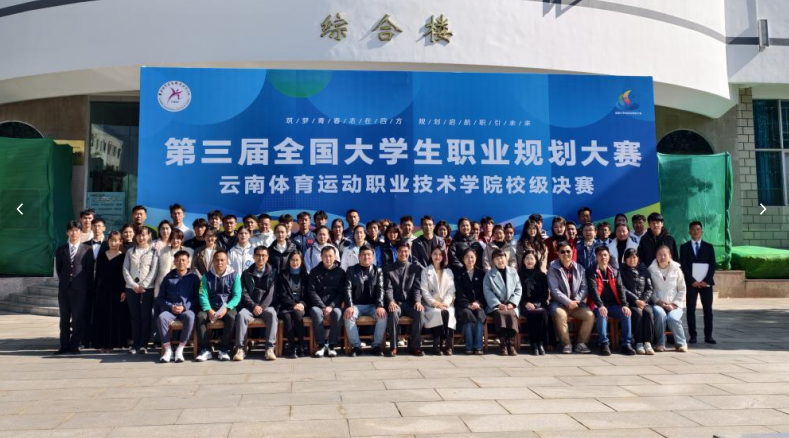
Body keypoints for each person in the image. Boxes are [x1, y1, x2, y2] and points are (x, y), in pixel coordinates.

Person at [54, 221, 95, 355]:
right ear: (67, 232)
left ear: (80, 232)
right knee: (64, 318)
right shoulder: (61, 250)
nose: (74, 233)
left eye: (76, 230)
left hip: (80, 289)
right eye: (71, 230)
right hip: (65, 289)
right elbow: (59, 269)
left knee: (78, 318)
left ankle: (75, 345)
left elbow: (89, 271)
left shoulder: (87, 250)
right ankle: (64, 344)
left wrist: (87, 289)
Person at [587, 246, 636, 356]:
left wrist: (624, 305)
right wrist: (600, 305)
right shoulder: (591, 271)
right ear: (596, 257)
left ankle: (626, 344)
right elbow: (593, 290)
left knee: (626, 313)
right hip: (597, 305)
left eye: (605, 255)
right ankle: (604, 344)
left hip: (613, 305)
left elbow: (620, 288)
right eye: (600, 255)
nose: (603, 257)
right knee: (602, 313)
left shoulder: (615, 272)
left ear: (609, 256)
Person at [548, 241, 594, 354]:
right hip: (559, 304)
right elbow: (554, 290)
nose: (566, 254)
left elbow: (584, 287)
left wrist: (576, 300)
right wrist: (568, 302)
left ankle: (581, 343)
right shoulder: (552, 268)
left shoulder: (580, 268)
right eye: (562, 252)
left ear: (572, 252)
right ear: (558, 253)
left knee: (590, 315)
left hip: (577, 304)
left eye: (568, 251)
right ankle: (566, 344)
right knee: (560, 315)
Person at [195, 250, 241, 361]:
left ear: (227, 261)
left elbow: (237, 295)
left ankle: (224, 349)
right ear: (213, 261)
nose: (219, 263)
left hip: (227, 306)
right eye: (217, 260)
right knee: (200, 317)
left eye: (222, 260)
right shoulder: (206, 276)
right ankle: (205, 349)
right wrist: (208, 309)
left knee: (231, 317)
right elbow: (202, 294)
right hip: (210, 306)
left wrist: (227, 308)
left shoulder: (234, 275)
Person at [234, 246, 278, 361]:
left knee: (272, 314)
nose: (260, 258)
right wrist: (253, 306)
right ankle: (240, 349)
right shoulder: (246, 273)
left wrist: (261, 307)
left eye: (263, 255)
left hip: (266, 306)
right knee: (241, 315)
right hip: (250, 307)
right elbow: (244, 292)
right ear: (253, 257)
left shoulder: (273, 273)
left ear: (267, 257)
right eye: (258, 255)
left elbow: (272, 293)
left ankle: (269, 348)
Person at [156, 250, 200, 363]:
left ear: (188, 262)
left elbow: (197, 297)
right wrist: (170, 306)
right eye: (178, 260)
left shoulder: (194, 278)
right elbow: (160, 298)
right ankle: (168, 350)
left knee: (190, 316)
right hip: (170, 310)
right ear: (174, 262)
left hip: (186, 309)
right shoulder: (168, 278)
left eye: (183, 260)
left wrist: (184, 307)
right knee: (161, 318)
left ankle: (180, 349)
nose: (181, 262)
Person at [383, 242, 425, 357]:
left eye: (406, 251)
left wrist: (417, 301)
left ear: (409, 252)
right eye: (400, 251)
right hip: (396, 303)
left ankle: (415, 346)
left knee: (420, 312)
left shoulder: (415, 269)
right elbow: (388, 288)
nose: (403, 253)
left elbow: (417, 288)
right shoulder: (388, 269)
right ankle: (394, 347)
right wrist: (391, 301)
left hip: (410, 304)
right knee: (393, 312)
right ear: (396, 253)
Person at [91, 231, 130, 353]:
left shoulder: (123, 257)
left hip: (117, 291)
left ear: (120, 242)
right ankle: (101, 343)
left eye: (116, 240)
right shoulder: (102, 255)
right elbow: (98, 274)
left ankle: (113, 344)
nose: (113, 243)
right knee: (102, 316)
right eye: (111, 240)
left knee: (115, 317)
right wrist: (95, 289)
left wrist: (124, 291)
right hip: (102, 290)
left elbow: (124, 276)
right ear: (108, 241)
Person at [344, 246, 387, 356]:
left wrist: (380, 305)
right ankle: (356, 346)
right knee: (348, 316)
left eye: (369, 254)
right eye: (363, 254)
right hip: (356, 306)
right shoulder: (351, 270)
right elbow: (348, 288)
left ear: (373, 257)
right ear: (359, 256)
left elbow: (381, 289)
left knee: (383, 316)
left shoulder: (378, 270)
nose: (366, 257)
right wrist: (349, 305)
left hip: (373, 306)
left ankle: (376, 346)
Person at [122, 226, 158, 355]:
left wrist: (144, 285)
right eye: (139, 235)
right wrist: (133, 285)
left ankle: (143, 344)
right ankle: (135, 344)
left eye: (144, 235)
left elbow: (154, 270)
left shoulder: (153, 251)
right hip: (131, 289)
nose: (141, 237)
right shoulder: (130, 251)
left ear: (149, 236)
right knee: (134, 317)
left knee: (145, 317)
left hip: (147, 289)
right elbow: (125, 269)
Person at [680, 221, 716, 344]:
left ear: (702, 231)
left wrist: (706, 280)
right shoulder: (684, 247)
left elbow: (712, 265)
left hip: (706, 284)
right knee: (690, 309)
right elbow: (684, 265)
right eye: (693, 229)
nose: (695, 231)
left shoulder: (709, 247)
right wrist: (692, 280)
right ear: (689, 232)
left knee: (708, 310)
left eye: (698, 229)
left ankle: (708, 335)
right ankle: (693, 335)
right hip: (692, 284)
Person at [307, 246, 345, 357]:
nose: (328, 258)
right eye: (325, 256)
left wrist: (331, 306)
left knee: (338, 313)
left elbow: (341, 293)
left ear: (335, 257)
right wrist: (323, 307)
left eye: (330, 256)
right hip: (318, 305)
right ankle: (321, 345)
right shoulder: (314, 272)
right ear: (321, 257)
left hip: (334, 305)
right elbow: (312, 292)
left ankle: (332, 345)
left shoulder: (341, 272)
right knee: (315, 312)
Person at [649, 245, 688, 352]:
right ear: (656, 256)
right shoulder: (651, 270)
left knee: (673, 318)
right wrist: (658, 302)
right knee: (660, 315)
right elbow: (650, 290)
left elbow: (682, 289)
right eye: (659, 255)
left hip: (675, 304)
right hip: (658, 304)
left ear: (670, 256)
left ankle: (681, 343)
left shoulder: (677, 269)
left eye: (665, 255)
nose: (662, 257)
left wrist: (674, 304)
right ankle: (660, 343)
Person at [483, 249, 522, 356]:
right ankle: (503, 343)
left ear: (506, 258)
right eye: (497, 259)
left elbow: (518, 289)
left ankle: (511, 343)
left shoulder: (513, 272)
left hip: (510, 305)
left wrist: (512, 303)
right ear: (493, 261)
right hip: (496, 305)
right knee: (500, 313)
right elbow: (487, 291)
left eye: (502, 258)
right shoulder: (489, 275)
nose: (500, 260)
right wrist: (498, 304)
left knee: (511, 314)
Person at [421, 247, 456, 355]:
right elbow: (424, 290)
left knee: (449, 312)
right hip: (431, 304)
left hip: (446, 304)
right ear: (431, 255)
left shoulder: (449, 272)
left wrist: (445, 303)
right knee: (437, 313)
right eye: (435, 254)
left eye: (440, 254)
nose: (437, 256)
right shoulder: (425, 271)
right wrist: (435, 304)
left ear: (443, 257)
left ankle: (448, 346)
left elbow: (451, 290)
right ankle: (436, 345)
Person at [620, 248, 656, 355]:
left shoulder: (644, 269)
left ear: (638, 258)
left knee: (648, 312)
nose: (632, 260)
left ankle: (648, 342)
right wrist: (636, 300)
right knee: (637, 313)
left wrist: (643, 301)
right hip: (630, 302)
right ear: (625, 259)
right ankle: (638, 342)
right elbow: (622, 288)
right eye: (629, 257)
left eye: (634, 257)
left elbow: (650, 288)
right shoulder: (621, 270)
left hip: (644, 302)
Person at [454, 248, 486, 355]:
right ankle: (469, 345)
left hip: (478, 304)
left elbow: (484, 291)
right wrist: (467, 304)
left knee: (480, 313)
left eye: (472, 257)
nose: (470, 259)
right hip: (463, 305)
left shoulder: (481, 273)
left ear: (476, 258)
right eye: (467, 257)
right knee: (467, 313)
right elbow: (458, 292)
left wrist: (478, 302)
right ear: (463, 259)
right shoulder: (458, 273)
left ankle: (478, 346)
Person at [278, 251, 310, 358]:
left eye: (297, 260)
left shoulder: (305, 276)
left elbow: (308, 295)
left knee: (297, 314)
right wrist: (293, 304)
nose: (294, 262)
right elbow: (282, 294)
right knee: (287, 317)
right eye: (292, 260)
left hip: (300, 306)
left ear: (301, 261)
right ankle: (292, 347)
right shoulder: (283, 275)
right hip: (286, 306)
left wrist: (301, 304)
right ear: (289, 261)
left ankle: (301, 345)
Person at [518, 251, 549, 356]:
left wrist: (536, 304)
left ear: (536, 261)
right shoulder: (518, 274)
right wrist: (525, 303)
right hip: (524, 304)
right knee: (531, 314)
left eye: (532, 258)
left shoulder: (542, 275)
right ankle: (534, 344)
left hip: (539, 304)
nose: (529, 261)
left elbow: (545, 294)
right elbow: (516, 293)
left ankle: (541, 343)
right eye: (527, 258)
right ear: (523, 261)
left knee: (541, 313)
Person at [155, 228, 194, 297]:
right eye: (173, 238)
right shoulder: (162, 251)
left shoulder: (189, 252)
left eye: (178, 238)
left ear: (182, 240)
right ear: (170, 239)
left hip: (182, 284)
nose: (175, 241)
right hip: (164, 283)